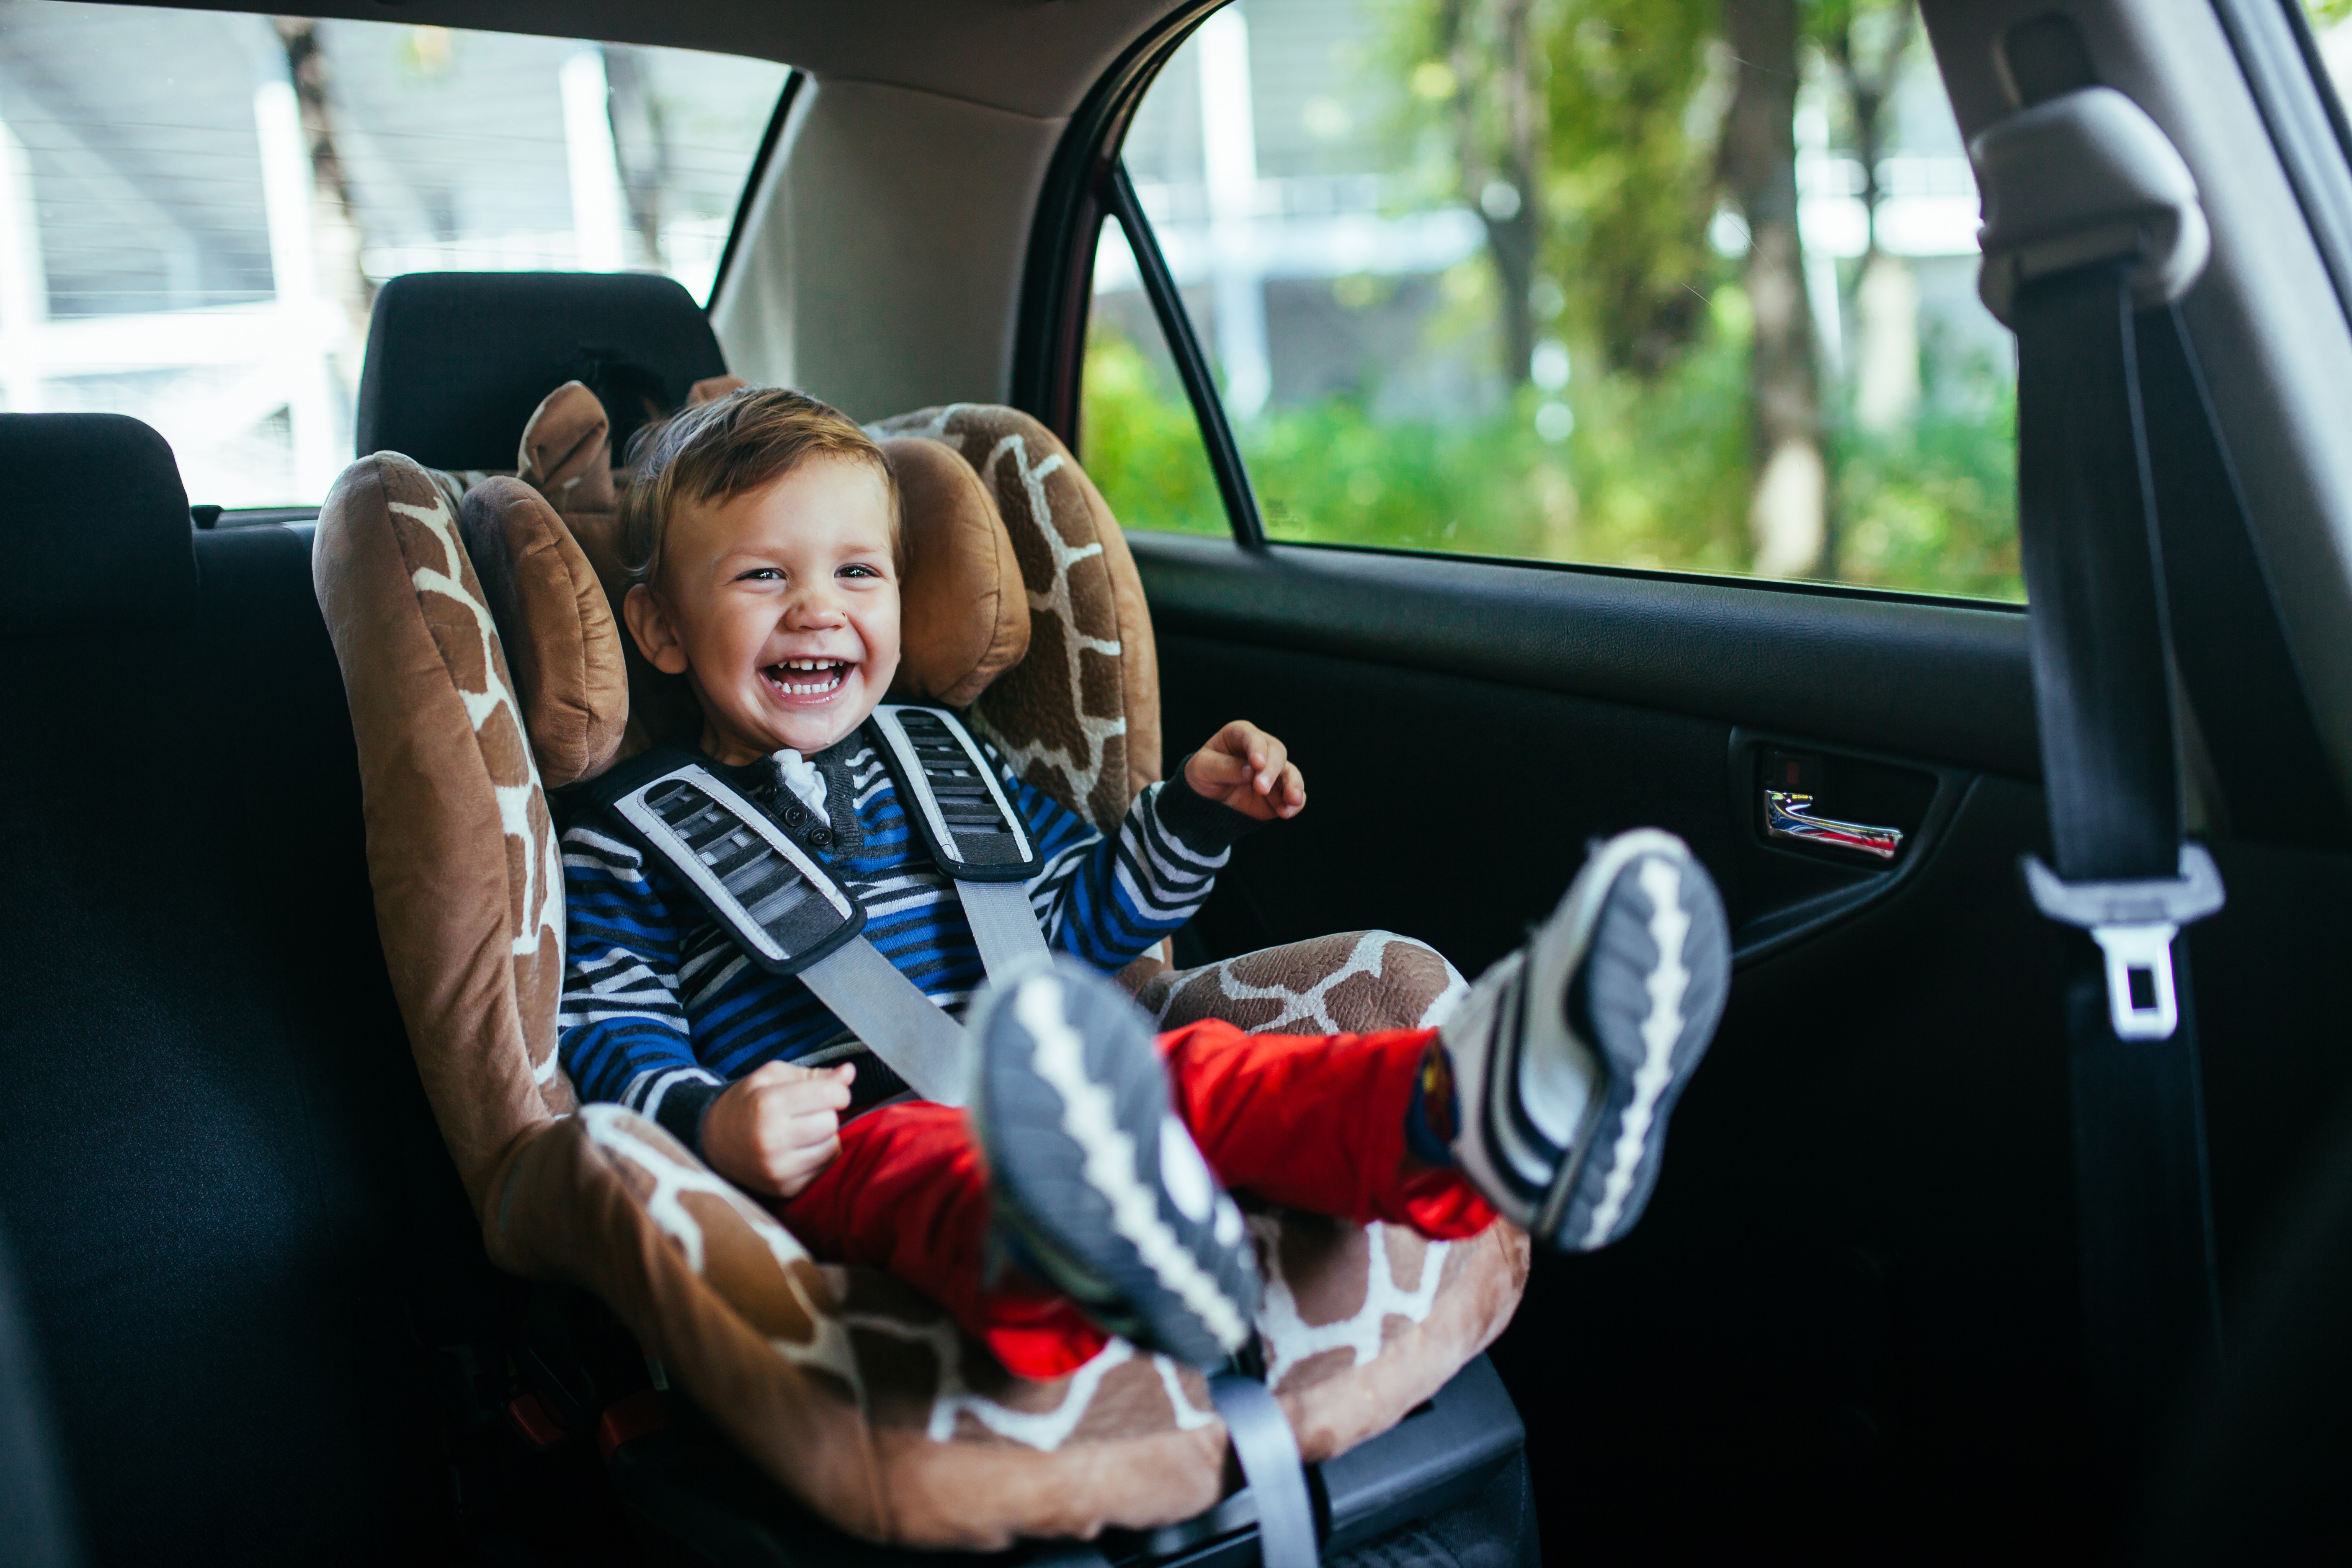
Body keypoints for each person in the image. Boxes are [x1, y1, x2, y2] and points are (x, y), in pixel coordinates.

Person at [557, 387, 1733, 1379]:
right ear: (660, 630)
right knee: (938, 1174)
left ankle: (1479, 1115)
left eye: (858, 571)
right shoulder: (630, 838)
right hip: (851, 1142)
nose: (820, 607)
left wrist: (1193, 815)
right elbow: (608, 1035)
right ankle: (1090, 1256)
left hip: (1066, 1082)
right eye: (764, 576)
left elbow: (1079, 922)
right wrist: (716, 1120)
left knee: (1209, 1073)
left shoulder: (944, 756)